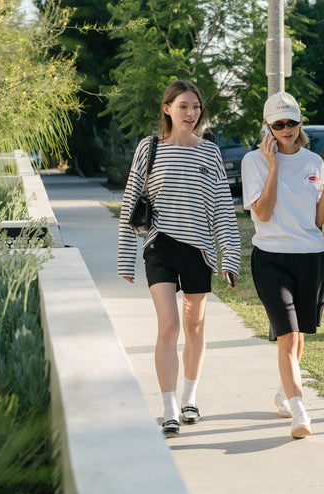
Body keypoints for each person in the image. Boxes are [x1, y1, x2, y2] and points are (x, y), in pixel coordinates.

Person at [118, 80, 241, 438]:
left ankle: (190, 398)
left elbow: (221, 208)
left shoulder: (209, 153)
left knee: (195, 327)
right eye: (183, 106)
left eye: (196, 107)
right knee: (169, 324)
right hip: (160, 246)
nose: (191, 113)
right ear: (167, 109)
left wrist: (230, 256)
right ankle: (169, 406)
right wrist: (126, 258)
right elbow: (131, 203)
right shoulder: (149, 148)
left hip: (199, 250)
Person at [241, 91, 324, 439]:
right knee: (288, 335)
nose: (286, 129)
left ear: (299, 123)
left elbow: (317, 221)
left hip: (310, 258)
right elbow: (262, 212)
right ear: (267, 127)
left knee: (299, 335)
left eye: (291, 122)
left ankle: (283, 391)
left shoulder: (314, 163)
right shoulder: (253, 161)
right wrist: (274, 166)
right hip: (271, 258)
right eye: (278, 124)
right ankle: (300, 411)